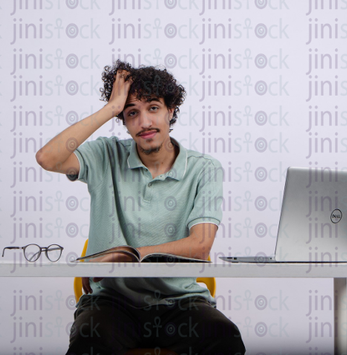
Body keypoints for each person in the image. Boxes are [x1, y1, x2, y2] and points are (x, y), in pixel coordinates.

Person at [36, 60, 246, 355]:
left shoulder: (204, 169)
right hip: (112, 302)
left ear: (171, 110)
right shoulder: (106, 155)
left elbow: (200, 245)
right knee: (89, 341)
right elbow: (48, 158)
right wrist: (110, 108)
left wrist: (128, 256)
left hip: (180, 302)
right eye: (132, 113)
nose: (144, 122)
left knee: (224, 338)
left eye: (153, 108)